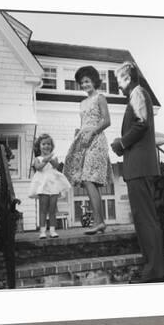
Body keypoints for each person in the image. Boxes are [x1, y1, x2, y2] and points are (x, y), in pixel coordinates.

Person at [110, 61, 164, 283]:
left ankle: (155, 270)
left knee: (145, 220)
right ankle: (154, 268)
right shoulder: (138, 95)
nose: (118, 86)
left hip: (139, 167)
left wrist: (121, 143)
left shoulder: (138, 94)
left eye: (118, 81)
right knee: (144, 219)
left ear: (127, 78)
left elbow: (141, 123)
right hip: (138, 167)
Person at [63, 66, 113, 235]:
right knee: (87, 181)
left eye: (87, 81)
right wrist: (79, 133)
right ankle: (100, 222)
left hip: (97, 140)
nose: (85, 84)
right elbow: (84, 123)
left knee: (89, 179)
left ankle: (99, 222)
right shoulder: (82, 103)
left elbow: (107, 121)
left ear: (94, 81)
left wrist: (92, 131)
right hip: (83, 141)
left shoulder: (100, 98)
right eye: (82, 82)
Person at [29, 133, 71, 239]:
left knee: (52, 209)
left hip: (53, 185)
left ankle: (52, 230)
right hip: (43, 185)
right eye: (43, 144)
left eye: (48, 144)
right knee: (43, 209)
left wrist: (50, 158)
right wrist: (45, 159)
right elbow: (38, 168)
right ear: (39, 146)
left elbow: (56, 166)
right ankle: (43, 231)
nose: (46, 146)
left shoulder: (54, 157)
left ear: (51, 146)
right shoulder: (37, 158)